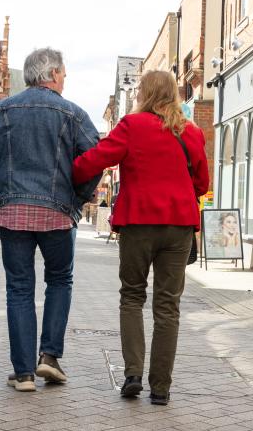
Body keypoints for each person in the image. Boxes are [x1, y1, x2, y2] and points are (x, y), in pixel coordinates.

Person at [73, 70, 209, 405]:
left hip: (138, 223)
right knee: (168, 306)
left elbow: (93, 161)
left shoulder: (131, 127)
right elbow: (202, 183)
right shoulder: (190, 131)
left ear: (144, 94)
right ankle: (160, 387)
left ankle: (132, 373)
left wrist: (69, 171)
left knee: (132, 296)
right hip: (178, 226)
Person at [0, 47, 100, 392]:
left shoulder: (1, 109)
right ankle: (50, 358)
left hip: (13, 213)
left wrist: (1, 192)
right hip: (58, 213)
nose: (65, 80)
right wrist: (78, 197)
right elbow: (94, 158)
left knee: (19, 287)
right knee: (59, 280)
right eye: (65, 74)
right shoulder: (73, 114)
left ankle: (24, 372)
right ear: (54, 74)